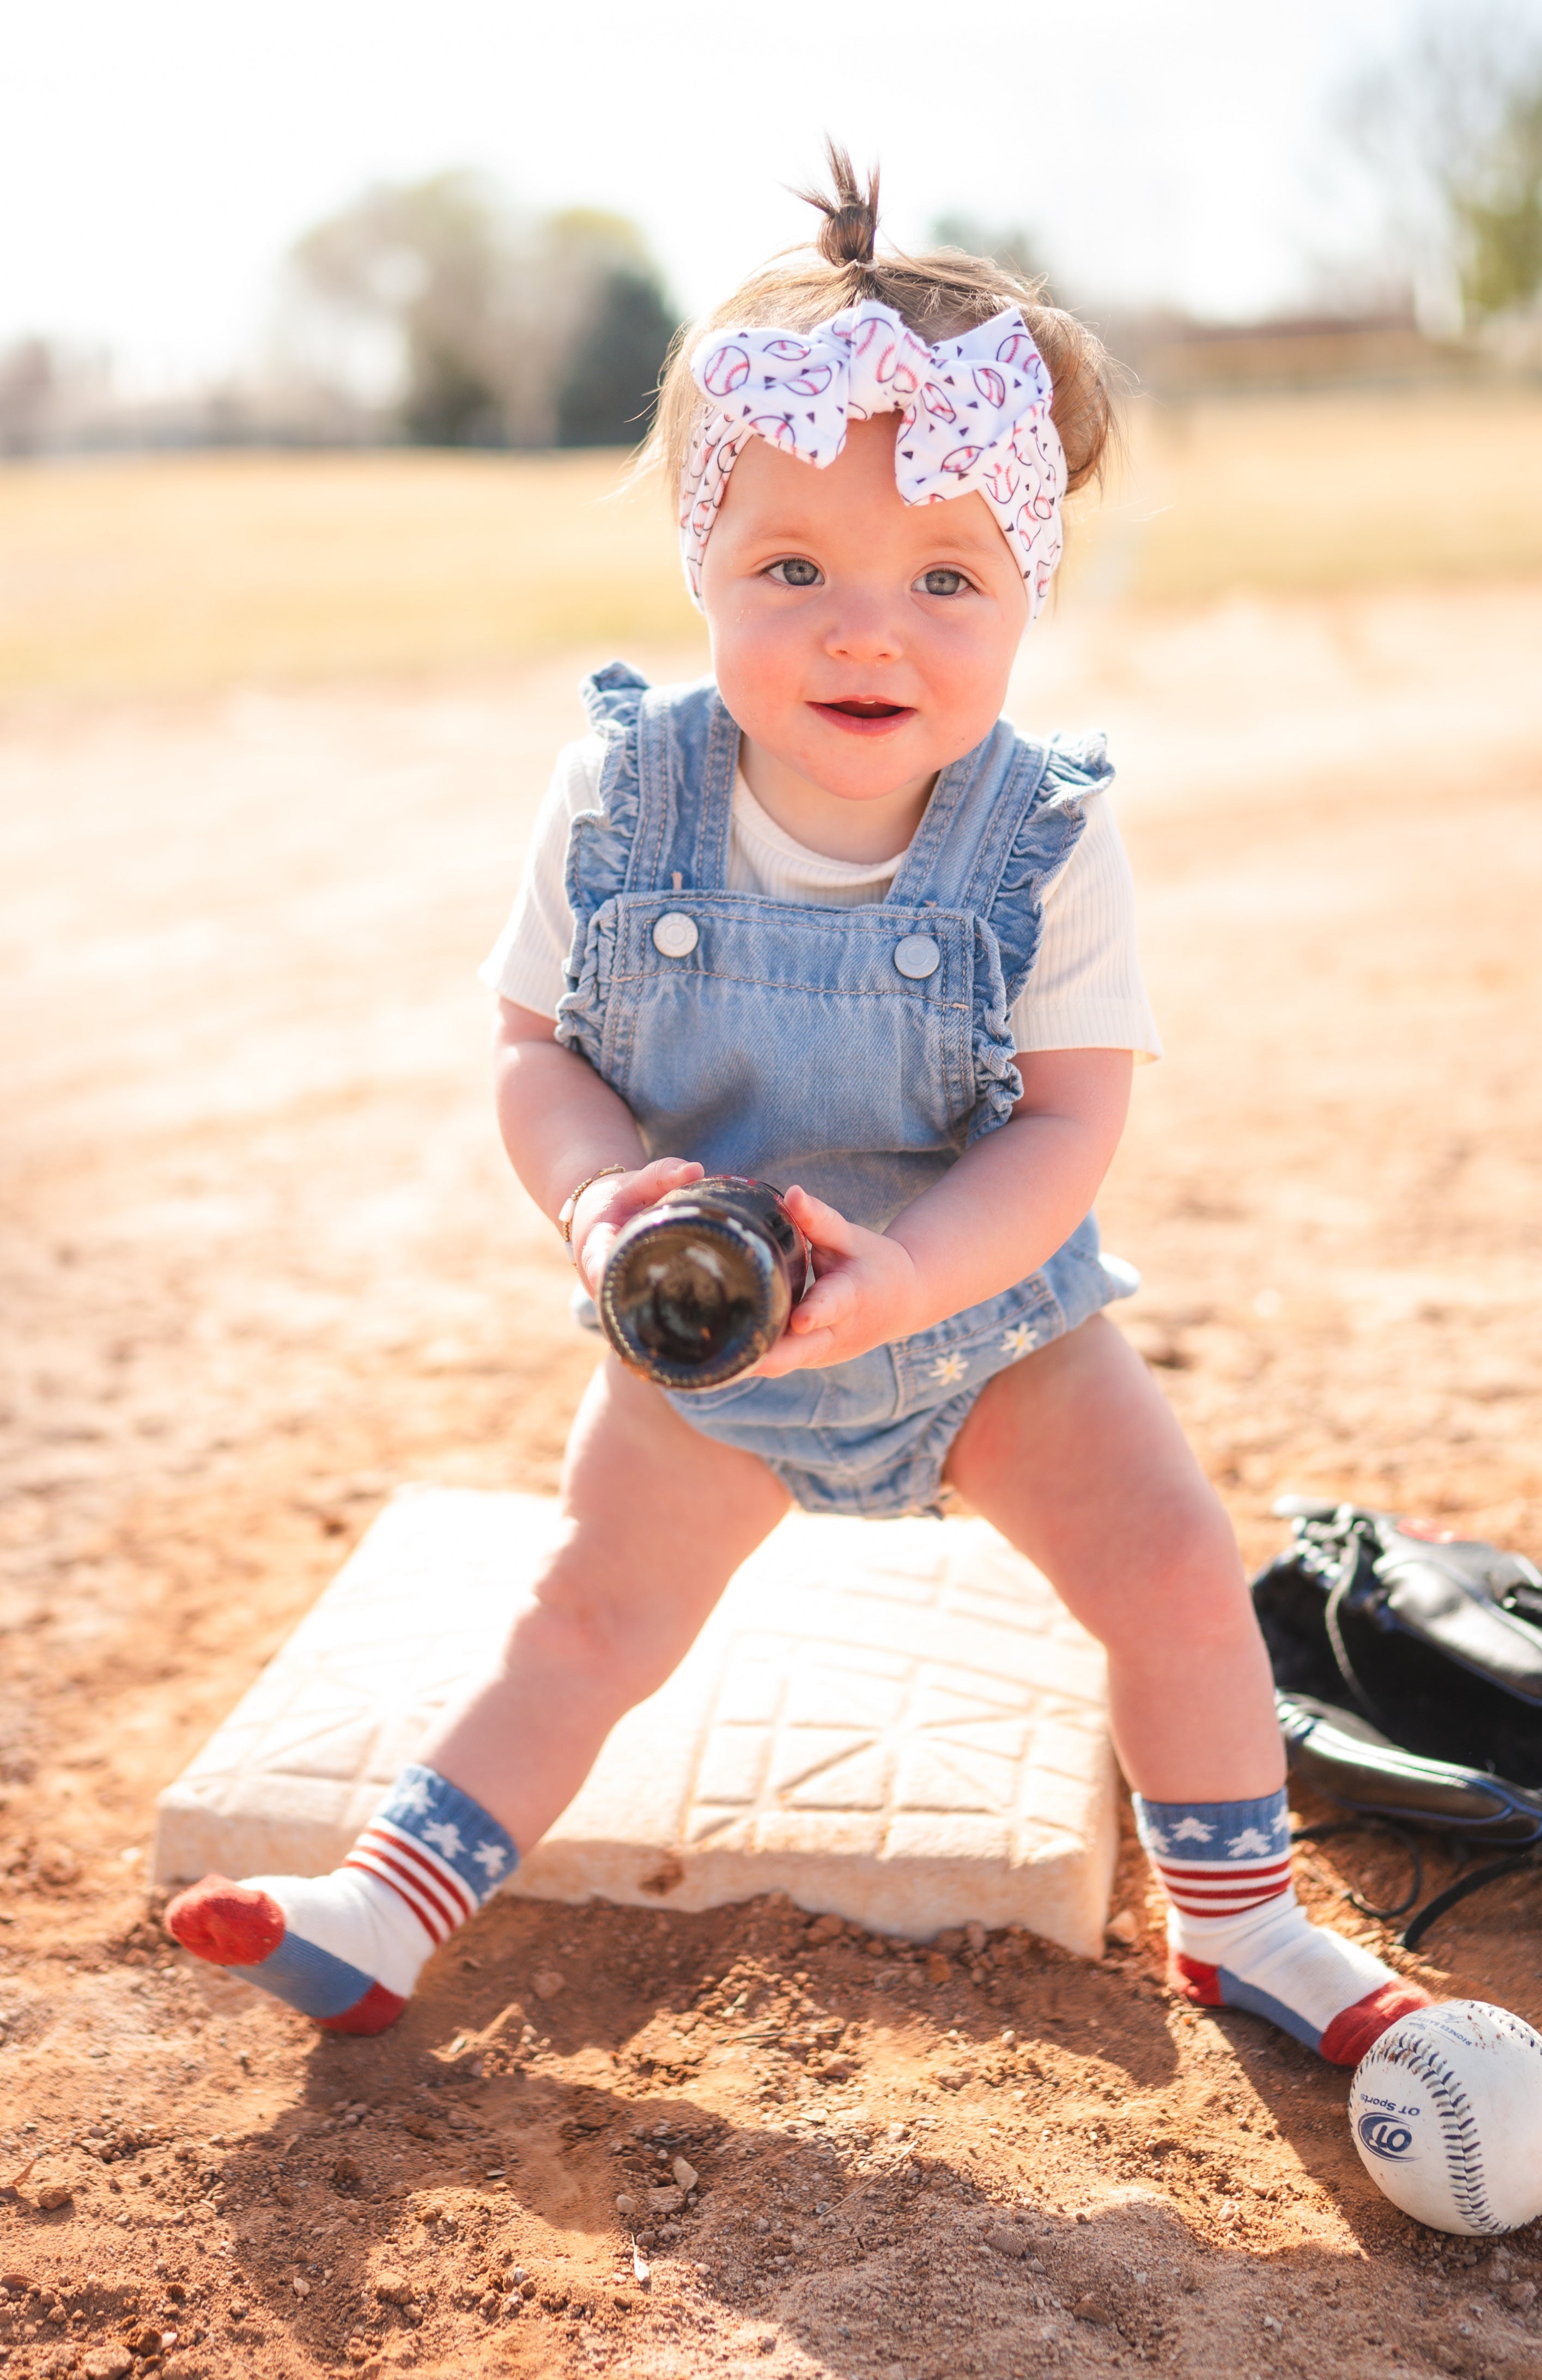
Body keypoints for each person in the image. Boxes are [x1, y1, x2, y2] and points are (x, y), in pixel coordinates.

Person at [167, 148, 1428, 2065]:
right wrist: (597, 1206)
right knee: (589, 1618)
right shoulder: (616, 799)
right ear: (702, 564)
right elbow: (536, 1058)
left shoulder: (1048, 837)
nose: (869, 631)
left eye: (945, 579)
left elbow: (1070, 1125)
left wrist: (915, 1281)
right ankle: (381, 1907)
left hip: (985, 1323)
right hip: (706, 1325)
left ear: (1026, 593)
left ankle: (1239, 1924)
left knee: (1173, 1572)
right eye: (792, 572)